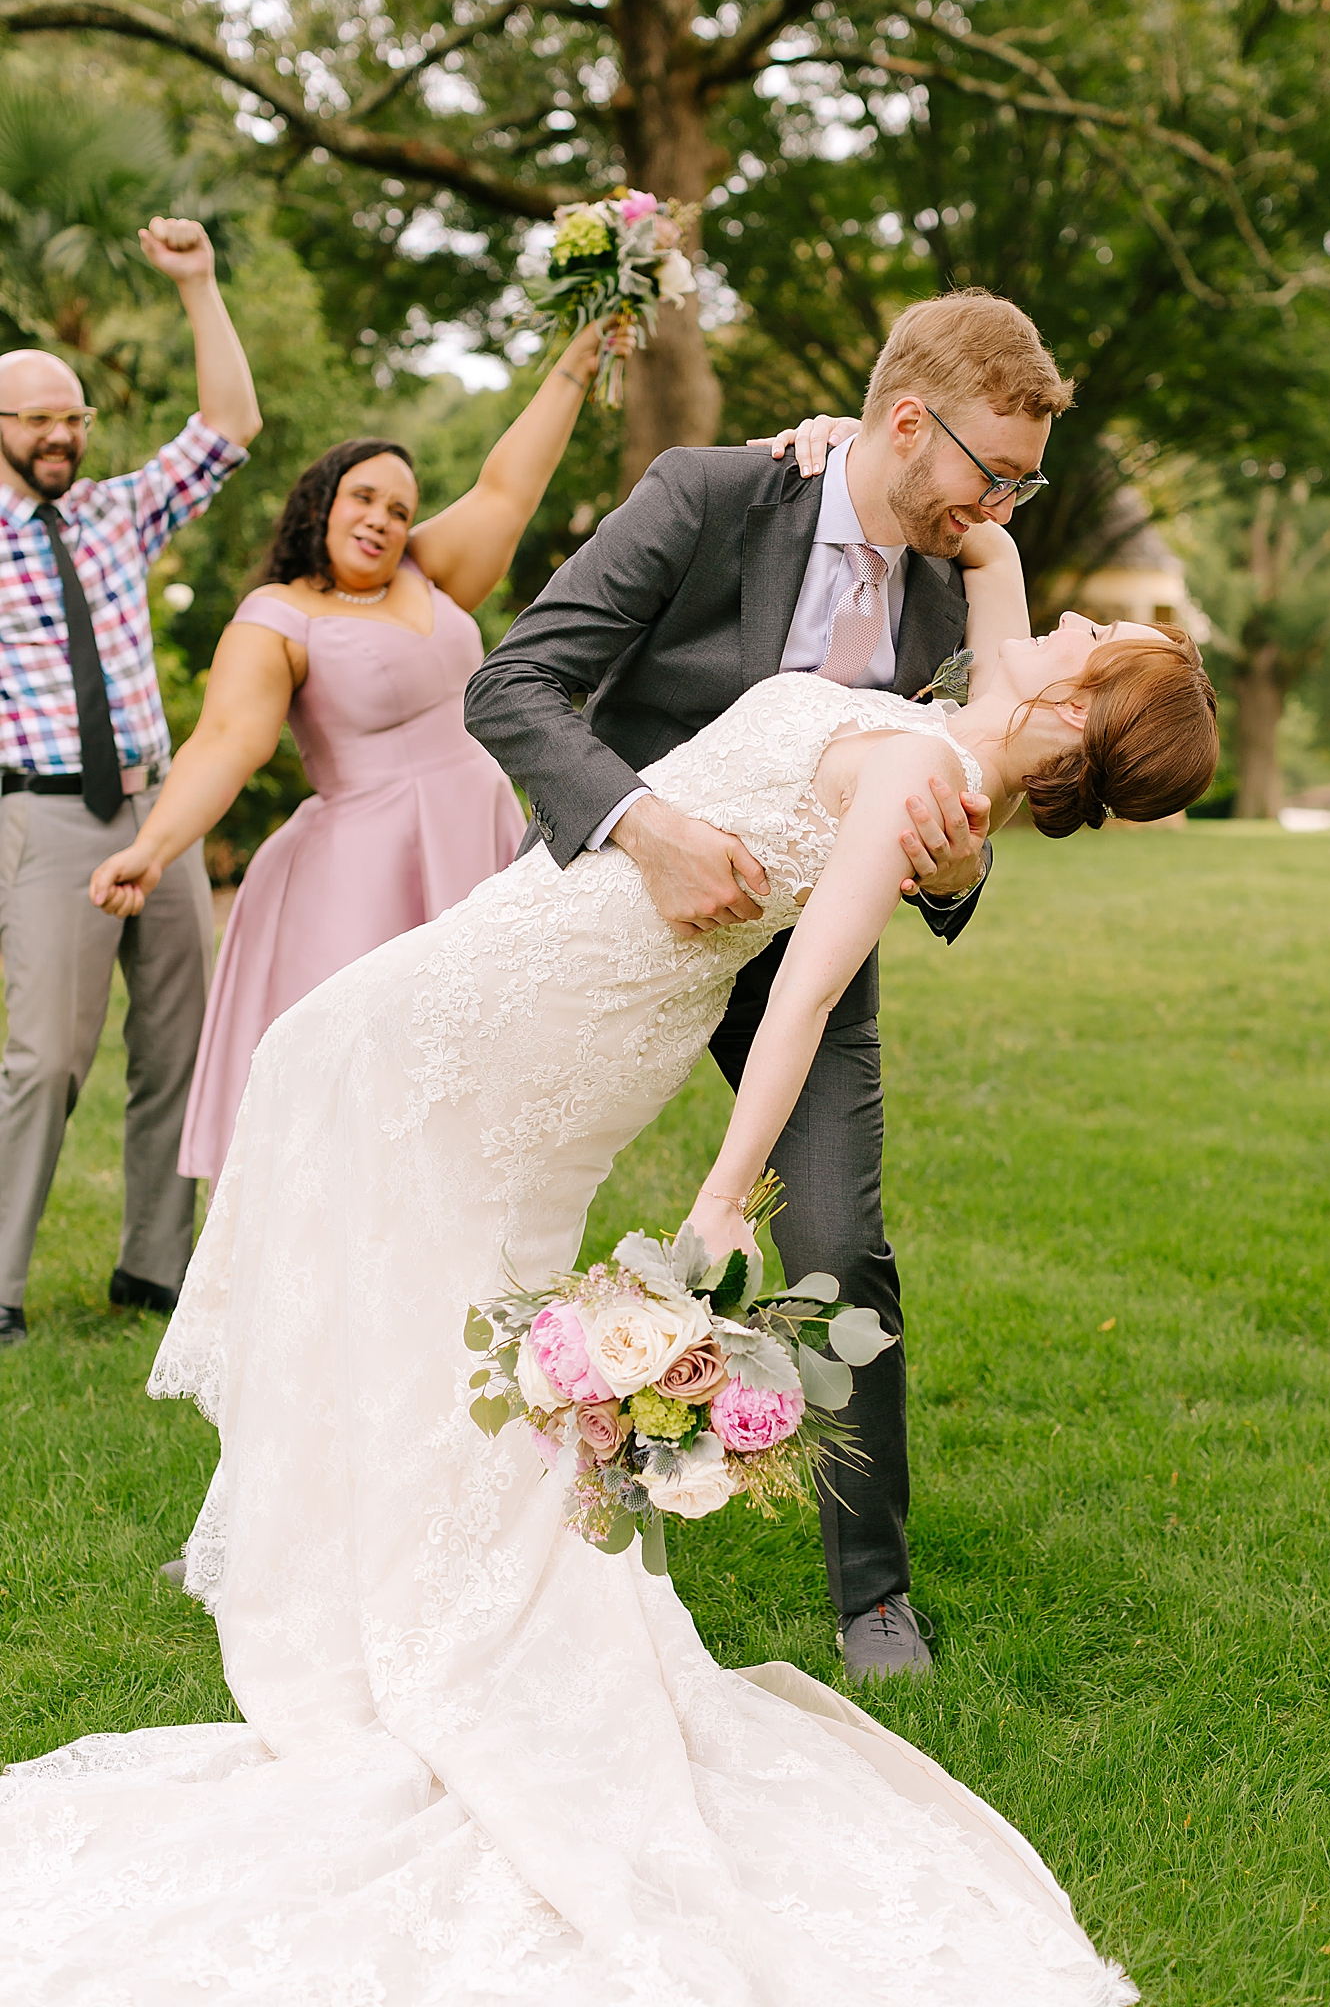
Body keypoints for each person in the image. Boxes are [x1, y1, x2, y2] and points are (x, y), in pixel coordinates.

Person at [0, 586, 1217, 2003]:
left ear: (1071, 713)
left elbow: (813, 993)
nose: (1066, 618)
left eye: (1091, 644)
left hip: (550, 1017)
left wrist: (718, 1198)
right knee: (375, 1180)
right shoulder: (951, 738)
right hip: (528, 956)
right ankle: (374, 1570)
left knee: (415, 1212)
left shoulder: (913, 775)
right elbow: (997, 556)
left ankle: (448, 1618)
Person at [464, 287, 1071, 1680]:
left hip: (804, 956)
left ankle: (872, 1597)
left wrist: (950, 871)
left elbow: (965, 813)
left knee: (842, 1244)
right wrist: (651, 832)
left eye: (1026, 481)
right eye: (994, 474)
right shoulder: (713, 496)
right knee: (495, 1201)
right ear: (904, 424)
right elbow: (516, 689)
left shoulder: (953, 572)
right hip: (618, 919)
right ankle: (463, 1508)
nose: (1005, 509)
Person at [87, 323, 621, 1187]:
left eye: (400, 508)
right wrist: (152, 850)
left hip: (469, 842)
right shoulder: (279, 615)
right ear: (322, 503)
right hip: (355, 871)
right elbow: (227, 742)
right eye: (363, 498)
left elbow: (507, 488)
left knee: (466, 1072)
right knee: (362, 1083)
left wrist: (577, 362)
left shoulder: (427, 573)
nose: (381, 519)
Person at [0, 219, 260, 1347]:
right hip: (46, 814)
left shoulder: (114, 510)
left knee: (176, 1045)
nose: (61, 436)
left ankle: (155, 1269)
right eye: (39, 420)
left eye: (73, 417)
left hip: (161, 807)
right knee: (47, 1057)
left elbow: (230, 427)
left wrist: (197, 284)